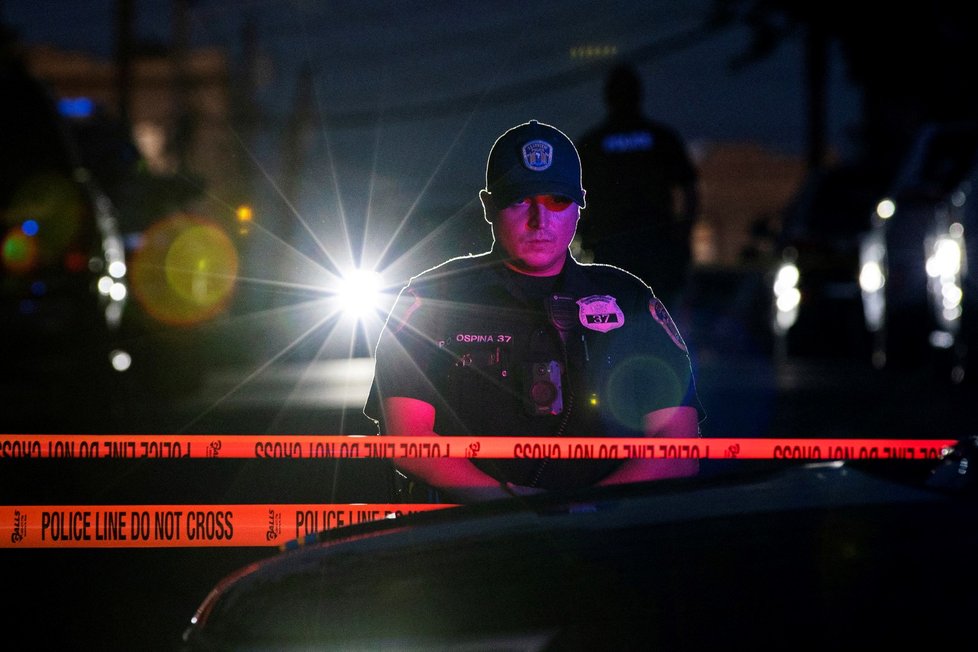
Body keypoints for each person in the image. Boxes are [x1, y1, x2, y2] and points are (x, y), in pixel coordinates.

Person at [365, 119, 703, 504]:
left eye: (556, 200)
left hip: (608, 540)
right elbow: (409, 443)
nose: (539, 220)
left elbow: (677, 447)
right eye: (519, 199)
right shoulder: (432, 299)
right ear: (489, 206)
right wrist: (511, 508)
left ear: (580, 206)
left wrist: (588, 512)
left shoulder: (628, 300)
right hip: (469, 539)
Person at [577, 62, 700, 307]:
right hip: (654, 250)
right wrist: (681, 238)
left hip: (616, 250)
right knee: (660, 323)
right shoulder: (660, 139)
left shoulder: (594, 144)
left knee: (613, 324)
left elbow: (573, 197)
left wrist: (586, 235)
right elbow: (689, 190)